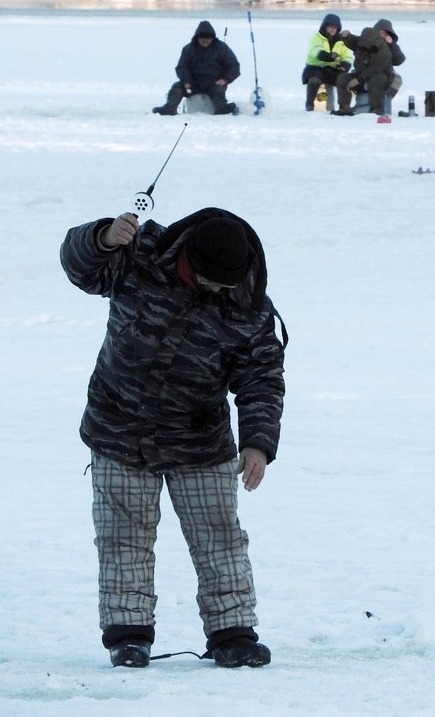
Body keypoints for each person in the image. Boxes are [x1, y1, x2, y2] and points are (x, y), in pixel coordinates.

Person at [60, 207, 287, 669]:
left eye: (228, 283)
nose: (220, 291)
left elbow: (262, 376)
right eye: (212, 281)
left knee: (219, 537)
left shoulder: (249, 306)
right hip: (117, 427)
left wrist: (258, 442)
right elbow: (79, 267)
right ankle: (128, 635)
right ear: (188, 259)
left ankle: (233, 633)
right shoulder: (138, 254)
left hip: (199, 440)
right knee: (123, 538)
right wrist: (103, 237)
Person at [153, 21, 240, 115]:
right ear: (197, 38)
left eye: (208, 38)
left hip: (214, 82)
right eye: (202, 38)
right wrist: (186, 81)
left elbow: (234, 66)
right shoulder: (188, 49)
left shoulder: (221, 48)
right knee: (177, 88)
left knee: (218, 92)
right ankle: (169, 108)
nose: (205, 41)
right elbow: (182, 67)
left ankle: (222, 109)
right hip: (192, 83)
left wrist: (225, 79)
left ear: (212, 38)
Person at [333, 18, 406, 116]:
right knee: (342, 79)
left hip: (380, 75)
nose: (381, 35)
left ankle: (376, 109)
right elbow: (354, 41)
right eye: (379, 32)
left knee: (377, 80)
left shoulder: (387, 50)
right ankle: (344, 108)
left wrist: (391, 44)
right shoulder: (365, 42)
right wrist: (346, 36)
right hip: (361, 74)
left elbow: (398, 60)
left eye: (384, 33)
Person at [301, 13, 353, 111]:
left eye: (335, 27)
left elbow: (347, 56)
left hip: (332, 70)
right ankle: (310, 105)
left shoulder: (342, 41)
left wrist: (345, 65)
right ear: (325, 26)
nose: (333, 29)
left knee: (345, 80)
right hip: (315, 68)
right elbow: (315, 50)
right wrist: (327, 56)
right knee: (314, 80)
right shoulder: (316, 37)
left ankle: (344, 107)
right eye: (330, 27)